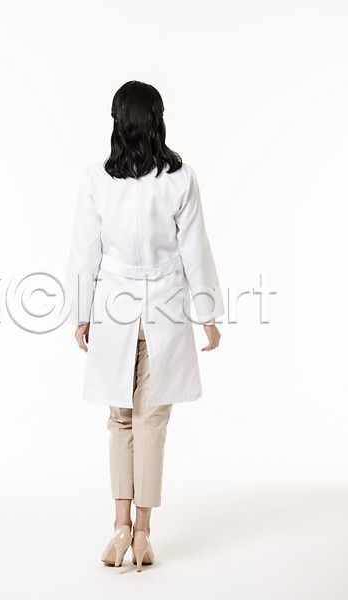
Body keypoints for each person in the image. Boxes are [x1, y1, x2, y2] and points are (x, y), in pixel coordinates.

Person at [65, 80, 224, 571]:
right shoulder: (181, 179)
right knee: (151, 421)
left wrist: (81, 313)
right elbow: (195, 250)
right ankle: (143, 533)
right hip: (165, 311)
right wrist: (208, 314)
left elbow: (85, 251)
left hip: (113, 311)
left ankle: (118, 527)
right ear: (158, 120)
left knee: (120, 421)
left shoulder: (97, 179)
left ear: (118, 122)